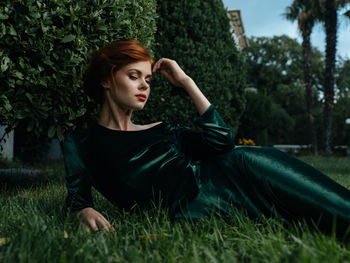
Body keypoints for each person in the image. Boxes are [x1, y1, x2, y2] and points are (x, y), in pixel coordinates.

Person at [63, 39, 350, 236]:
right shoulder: (79, 143)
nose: (144, 86)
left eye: (148, 79)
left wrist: (187, 82)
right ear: (106, 79)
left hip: (245, 173)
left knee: (339, 210)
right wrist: (83, 209)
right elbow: (78, 199)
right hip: (212, 212)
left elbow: (223, 144)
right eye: (133, 76)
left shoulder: (165, 130)